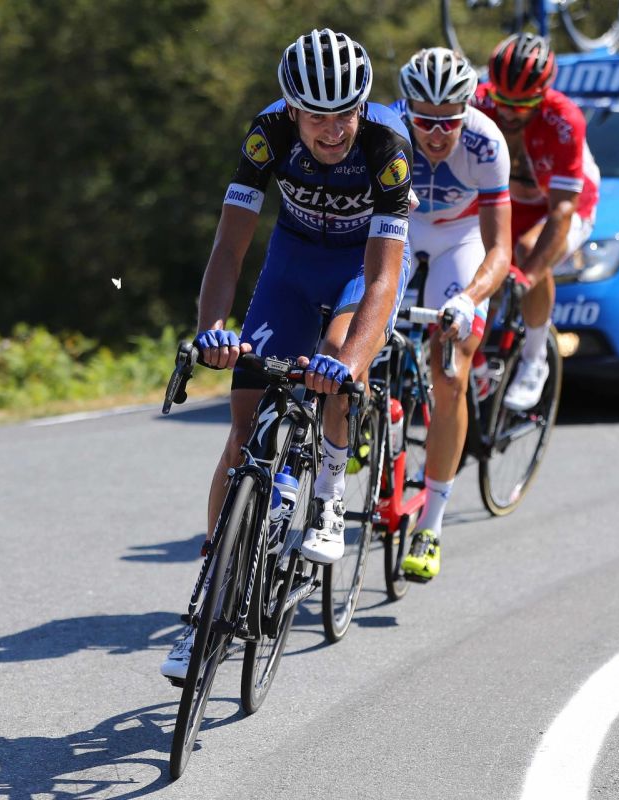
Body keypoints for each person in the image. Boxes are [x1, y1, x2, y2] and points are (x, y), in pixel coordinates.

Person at [161, 28, 414, 680]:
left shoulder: (387, 146)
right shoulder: (268, 133)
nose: (333, 130)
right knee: (243, 429)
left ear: (362, 106)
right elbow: (229, 247)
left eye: (345, 114)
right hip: (292, 266)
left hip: (360, 269)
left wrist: (351, 362)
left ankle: (328, 490)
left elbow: (384, 280)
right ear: (292, 109)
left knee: (333, 360)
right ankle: (207, 605)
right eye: (317, 117)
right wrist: (214, 329)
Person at [390, 47, 512, 582]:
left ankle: (432, 526)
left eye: (449, 121)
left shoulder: (487, 142)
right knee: (360, 328)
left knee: (451, 370)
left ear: (467, 110)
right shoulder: (385, 128)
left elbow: (500, 249)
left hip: (461, 236)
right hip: (401, 226)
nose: (437, 134)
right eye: (425, 121)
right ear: (406, 109)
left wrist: (468, 297)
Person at [472, 32, 599, 411]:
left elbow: (562, 212)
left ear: (542, 95)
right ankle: (474, 364)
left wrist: (526, 278)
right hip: (510, 203)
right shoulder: (477, 102)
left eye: (524, 103)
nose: (510, 112)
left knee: (531, 253)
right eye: (503, 100)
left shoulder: (565, 120)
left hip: (563, 206)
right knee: (479, 272)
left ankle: (534, 359)